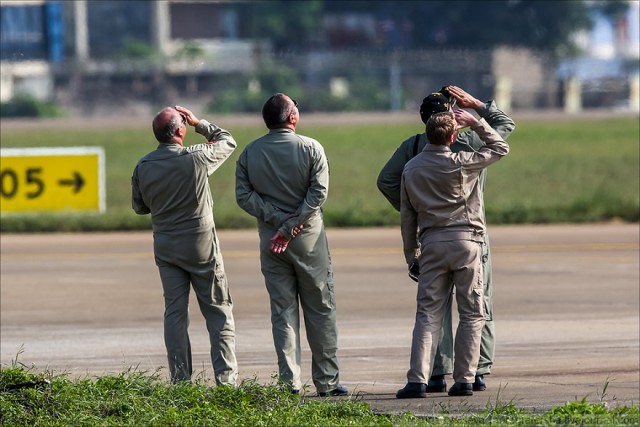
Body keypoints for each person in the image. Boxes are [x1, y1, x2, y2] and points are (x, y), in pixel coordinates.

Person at [377, 85, 515, 392]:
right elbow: (504, 131)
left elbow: (393, 193)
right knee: (476, 310)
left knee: (429, 313)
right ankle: (472, 374)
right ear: (453, 124)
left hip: (431, 239)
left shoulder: (411, 161)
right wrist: (477, 111)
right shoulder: (467, 150)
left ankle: (425, 376)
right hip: (470, 239)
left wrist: (415, 234)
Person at [235, 93, 347, 397]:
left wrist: (276, 222)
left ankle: (290, 383)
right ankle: (327, 381)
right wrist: (292, 225)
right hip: (308, 242)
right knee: (321, 309)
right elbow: (318, 193)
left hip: (272, 243)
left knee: (282, 312)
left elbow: (244, 196)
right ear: (292, 118)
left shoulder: (250, 152)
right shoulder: (311, 148)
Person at [131, 105, 238, 385]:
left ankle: (180, 381)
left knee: (175, 314)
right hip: (201, 245)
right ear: (181, 130)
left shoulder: (143, 166)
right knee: (218, 310)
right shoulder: (196, 157)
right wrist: (200, 123)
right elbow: (228, 141)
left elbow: (140, 207)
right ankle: (226, 381)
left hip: (166, 247)